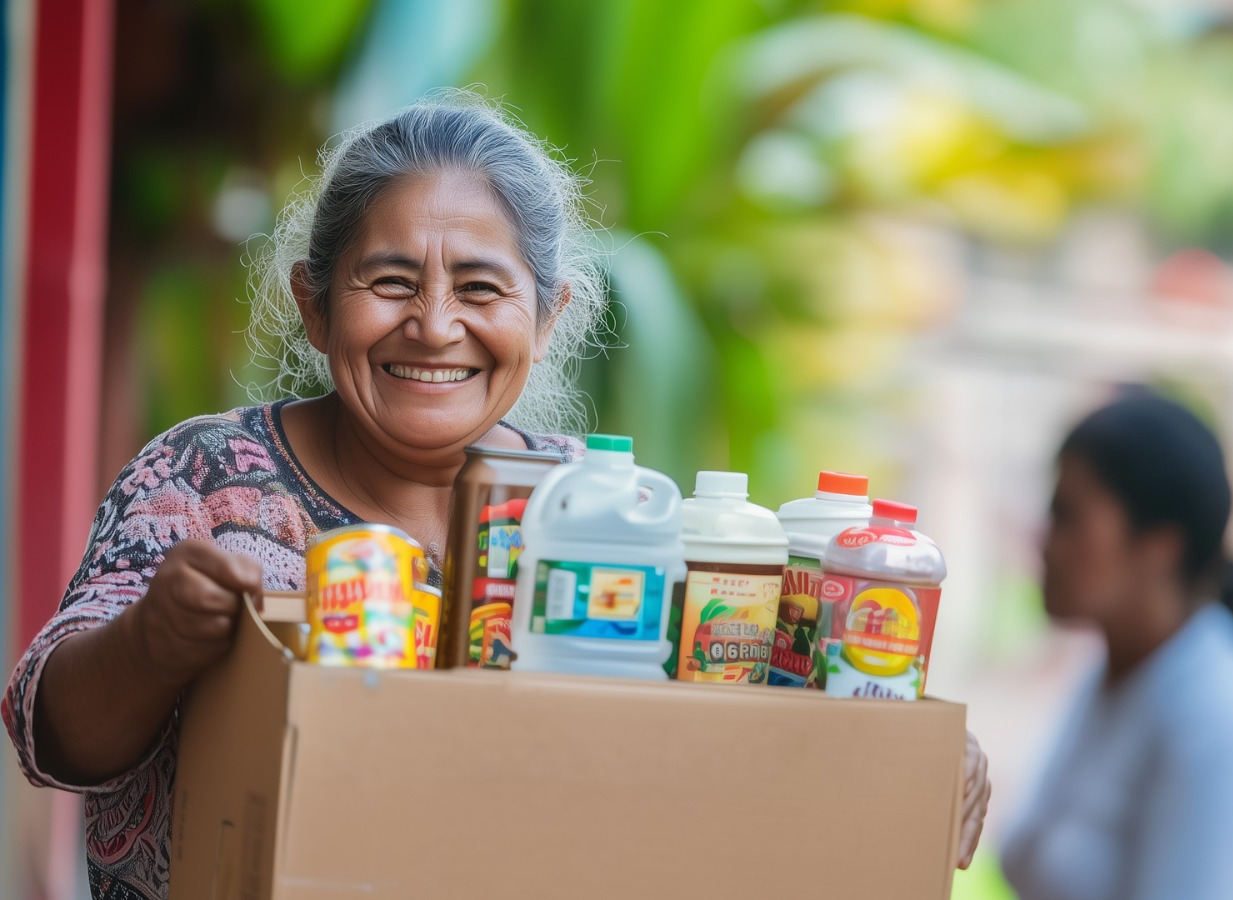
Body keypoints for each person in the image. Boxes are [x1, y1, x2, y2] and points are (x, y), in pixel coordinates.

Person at [2, 92, 989, 900]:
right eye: (389, 281)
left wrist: (900, 755)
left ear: (548, 316)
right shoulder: (206, 478)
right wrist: (152, 642)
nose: (434, 327)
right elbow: (51, 739)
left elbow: (723, 724)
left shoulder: (607, 510)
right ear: (313, 304)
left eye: (480, 289)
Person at [1001, 390, 1233, 900]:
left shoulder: (1221, 712)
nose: (1044, 541)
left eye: (1068, 516)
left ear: (1161, 545)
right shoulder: (1113, 672)